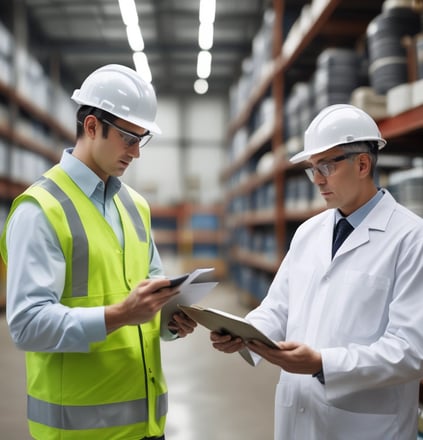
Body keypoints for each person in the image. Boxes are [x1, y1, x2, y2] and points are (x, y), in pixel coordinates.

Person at [0, 64, 197, 440]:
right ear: (91, 127)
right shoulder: (41, 209)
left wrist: (170, 322)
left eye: (142, 139)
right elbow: (26, 326)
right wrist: (120, 314)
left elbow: (150, 298)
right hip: (77, 432)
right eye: (128, 138)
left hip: (146, 428)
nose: (136, 152)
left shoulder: (136, 206)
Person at [210, 104, 423, 439]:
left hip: (366, 427)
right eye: (312, 169)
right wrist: (245, 333)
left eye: (326, 166)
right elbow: (278, 306)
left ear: (363, 163)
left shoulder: (411, 238)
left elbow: (410, 351)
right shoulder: (309, 232)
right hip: (298, 418)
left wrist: (324, 364)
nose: (317, 180)